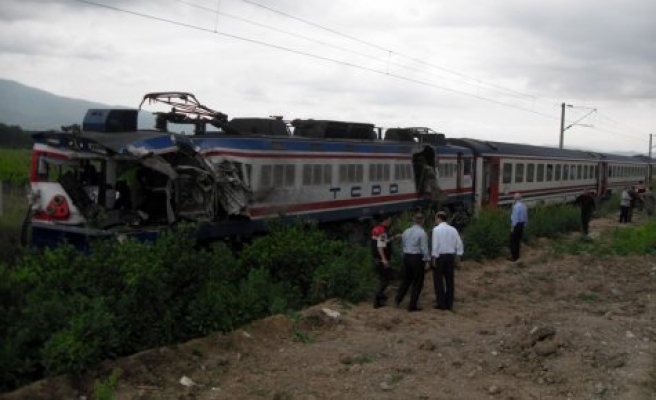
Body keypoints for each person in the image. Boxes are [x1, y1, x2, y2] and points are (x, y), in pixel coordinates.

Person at [395, 213, 431, 312]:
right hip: (416, 258)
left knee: (406, 279)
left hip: (407, 257)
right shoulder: (422, 233)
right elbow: (424, 248)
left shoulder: (406, 231)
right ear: (422, 221)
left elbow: (402, 245)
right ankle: (412, 305)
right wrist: (427, 260)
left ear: (414, 221)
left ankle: (398, 299)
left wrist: (403, 255)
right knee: (418, 281)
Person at [431, 211, 464, 311]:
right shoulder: (453, 229)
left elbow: (435, 245)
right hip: (450, 257)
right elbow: (459, 243)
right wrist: (458, 255)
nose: (435, 220)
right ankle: (449, 304)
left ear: (439, 218)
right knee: (450, 281)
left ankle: (441, 303)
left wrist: (434, 258)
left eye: (436, 218)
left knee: (438, 281)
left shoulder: (436, 230)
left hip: (440, 257)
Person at [371, 214, 396, 309]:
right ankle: (377, 300)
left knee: (382, 277)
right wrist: (384, 259)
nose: (390, 222)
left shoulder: (376, 229)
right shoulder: (383, 231)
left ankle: (380, 296)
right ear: (385, 220)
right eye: (389, 220)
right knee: (386, 279)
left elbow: (381, 242)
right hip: (381, 259)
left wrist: (393, 238)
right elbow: (380, 247)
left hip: (375, 258)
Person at [509, 192, 528, 261]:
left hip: (516, 225)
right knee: (518, 241)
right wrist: (525, 225)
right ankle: (517, 256)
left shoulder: (516, 207)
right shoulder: (524, 206)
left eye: (514, 198)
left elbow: (515, 218)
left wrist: (512, 227)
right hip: (522, 225)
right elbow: (526, 217)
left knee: (513, 241)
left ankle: (513, 257)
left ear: (515, 199)